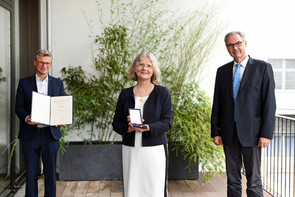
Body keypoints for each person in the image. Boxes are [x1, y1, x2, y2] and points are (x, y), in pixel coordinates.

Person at [211, 31, 276, 196]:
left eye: (238, 43)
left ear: (245, 43)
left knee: (254, 180)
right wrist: (215, 131)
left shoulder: (263, 68)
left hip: (253, 134)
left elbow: (269, 103)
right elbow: (217, 103)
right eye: (231, 45)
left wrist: (266, 133)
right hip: (228, 133)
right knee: (232, 179)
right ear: (227, 48)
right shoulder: (222, 71)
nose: (235, 48)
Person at [112, 52, 173, 197]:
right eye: (141, 64)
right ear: (135, 68)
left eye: (149, 65)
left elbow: (167, 122)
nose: (144, 68)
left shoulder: (162, 93)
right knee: (132, 188)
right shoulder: (125, 94)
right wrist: (129, 128)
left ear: (153, 70)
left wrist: (148, 127)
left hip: (155, 150)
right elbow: (116, 123)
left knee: (154, 189)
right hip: (131, 150)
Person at [15, 49, 65, 197]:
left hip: (50, 135)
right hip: (30, 135)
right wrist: (26, 118)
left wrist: (61, 119)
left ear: (51, 64)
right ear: (35, 62)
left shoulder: (57, 83)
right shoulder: (24, 83)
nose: (44, 66)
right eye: (42, 62)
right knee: (31, 174)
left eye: (47, 63)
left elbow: (61, 105)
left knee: (50, 174)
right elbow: (18, 107)